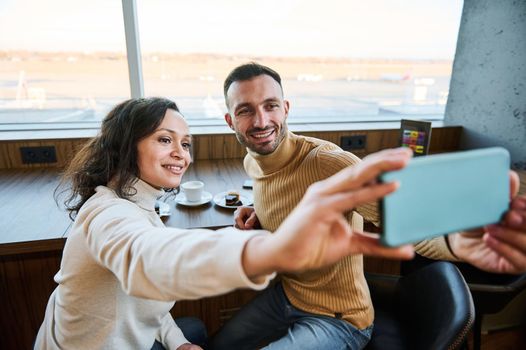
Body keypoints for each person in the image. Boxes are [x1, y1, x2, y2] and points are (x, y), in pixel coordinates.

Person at [34, 97, 417, 350]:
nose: (180, 155)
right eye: (164, 140)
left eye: (185, 144)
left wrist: (176, 340)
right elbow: (149, 261)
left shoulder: (138, 207)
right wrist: (271, 248)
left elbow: (140, 294)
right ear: (125, 146)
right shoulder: (108, 212)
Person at [211, 62, 526, 350]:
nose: (261, 121)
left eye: (270, 106)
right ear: (230, 121)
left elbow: (408, 224)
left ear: (286, 109)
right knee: (220, 344)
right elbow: (284, 190)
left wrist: (458, 243)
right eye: (246, 111)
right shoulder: (254, 160)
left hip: (340, 318)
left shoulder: (329, 164)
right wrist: (258, 209)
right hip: (289, 294)